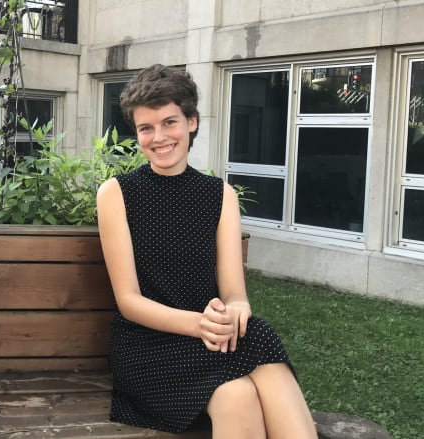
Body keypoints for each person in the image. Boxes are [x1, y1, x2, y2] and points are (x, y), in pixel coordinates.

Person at [96, 64, 317, 438]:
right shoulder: (117, 193)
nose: (159, 137)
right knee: (245, 379)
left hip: (212, 339)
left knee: (240, 387)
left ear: (192, 122)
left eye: (170, 122)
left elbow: (234, 293)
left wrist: (235, 311)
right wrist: (201, 325)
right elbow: (128, 300)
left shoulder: (220, 195)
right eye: (146, 128)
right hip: (149, 347)